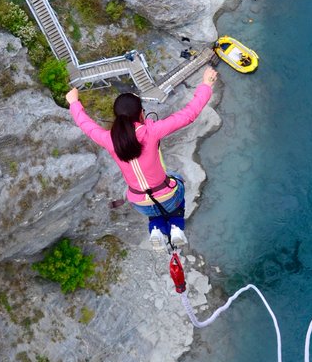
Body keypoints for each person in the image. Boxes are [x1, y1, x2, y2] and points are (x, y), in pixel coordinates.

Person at [66, 67, 217, 250]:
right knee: (176, 184)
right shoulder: (151, 131)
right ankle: (176, 227)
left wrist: (74, 103)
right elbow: (188, 114)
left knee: (154, 212)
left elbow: (86, 125)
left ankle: (156, 231)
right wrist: (206, 85)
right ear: (141, 114)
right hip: (167, 194)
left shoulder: (109, 140)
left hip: (138, 201)